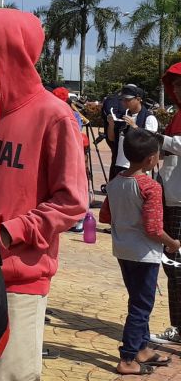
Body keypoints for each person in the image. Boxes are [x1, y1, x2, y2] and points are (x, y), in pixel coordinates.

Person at [0, 10, 88, 381]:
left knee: (8, 376)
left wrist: (9, 233)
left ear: (5, 51)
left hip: (19, 279)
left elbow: (72, 202)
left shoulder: (54, 116)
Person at [99, 128, 180, 375]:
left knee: (137, 300)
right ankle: (127, 358)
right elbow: (154, 228)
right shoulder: (151, 187)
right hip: (144, 254)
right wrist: (172, 243)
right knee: (141, 306)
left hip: (122, 250)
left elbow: (105, 216)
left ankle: (142, 348)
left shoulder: (114, 183)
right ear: (151, 159)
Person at [153, 63, 181, 346]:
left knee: (176, 264)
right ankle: (178, 325)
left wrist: (161, 139)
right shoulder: (177, 116)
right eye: (174, 84)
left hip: (179, 200)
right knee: (173, 266)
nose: (176, 89)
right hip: (171, 197)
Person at [111, 85, 158, 179]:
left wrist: (134, 126)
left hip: (139, 169)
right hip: (120, 163)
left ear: (138, 99)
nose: (124, 102)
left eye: (127, 100)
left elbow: (150, 143)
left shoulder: (149, 118)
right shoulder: (123, 116)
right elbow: (112, 138)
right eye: (122, 99)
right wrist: (111, 124)